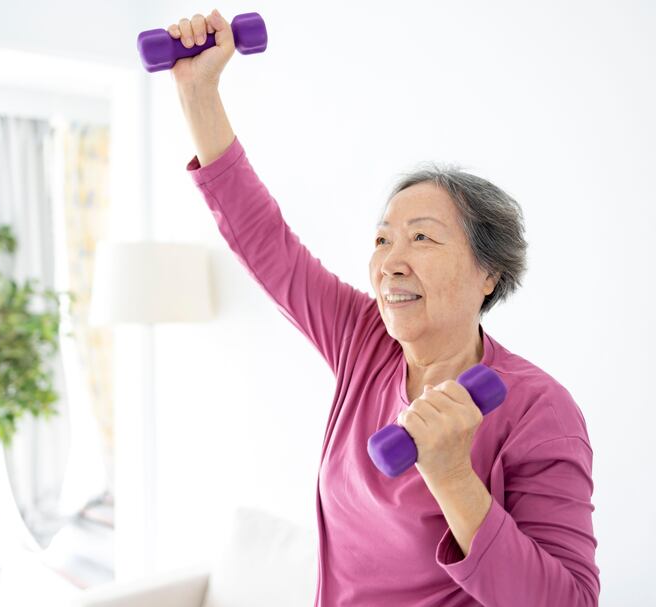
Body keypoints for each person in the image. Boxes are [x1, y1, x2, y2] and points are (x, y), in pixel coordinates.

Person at [168, 10, 600, 606]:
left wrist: (452, 477)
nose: (391, 261)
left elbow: (571, 602)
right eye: (381, 239)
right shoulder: (361, 340)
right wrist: (198, 91)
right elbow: (263, 239)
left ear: (489, 272)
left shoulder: (539, 410)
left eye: (422, 237)